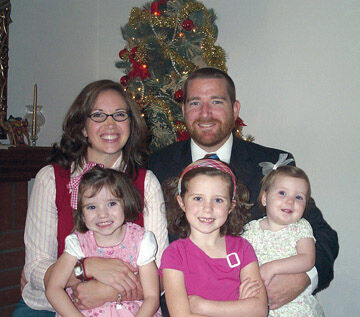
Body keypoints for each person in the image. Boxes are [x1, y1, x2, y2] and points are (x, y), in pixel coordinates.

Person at [149, 67, 338, 313]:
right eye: (195, 103)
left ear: (235, 109)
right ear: (183, 110)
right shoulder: (156, 165)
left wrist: (303, 278)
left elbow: (323, 235)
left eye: (216, 101)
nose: (205, 113)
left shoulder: (273, 165)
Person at [13, 80, 168, 316]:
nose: (110, 124)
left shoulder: (146, 183)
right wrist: (84, 270)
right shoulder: (50, 179)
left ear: (131, 124)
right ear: (83, 127)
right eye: (98, 115)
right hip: (53, 305)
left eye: (119, 115)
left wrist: (105, 291)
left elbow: (161, 273)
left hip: (128, 307)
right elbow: (35, 267)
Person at [45, 166, 161, 316]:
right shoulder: (78, 243)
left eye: (111, 203)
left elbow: (152, 297)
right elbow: (53, 288)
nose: (102, 214)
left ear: (125, 203)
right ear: (81, 212)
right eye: (91, 207)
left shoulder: (141, 240)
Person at [159, 158, 268, 317]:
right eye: (198, 198)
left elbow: (259, 310)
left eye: (218, 200)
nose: (207, 209)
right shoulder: (174, 254)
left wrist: (203, 306)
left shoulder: (242, 248)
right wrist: (239, 308)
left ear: (231, 206)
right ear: (182, 202)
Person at [242, 162, 324, 316]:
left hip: (297, 307)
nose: (290, 201)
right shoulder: (249, 230)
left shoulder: (301, 227)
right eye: (282, 193)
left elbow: (307, 259)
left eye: (299, 197)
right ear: (265, 198)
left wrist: (272, 267)